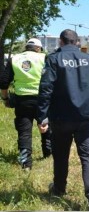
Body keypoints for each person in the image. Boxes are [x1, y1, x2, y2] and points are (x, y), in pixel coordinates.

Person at [36, 29, 89, 211]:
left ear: (61, 42)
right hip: (86, 117)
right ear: (77, 42)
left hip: (61, 118)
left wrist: (42, 117)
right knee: (87, 156)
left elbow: (45, 89)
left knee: (61, 155)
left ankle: (59, 189)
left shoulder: (54, 59)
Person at [0, 38, 52, 170]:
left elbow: (4, 82)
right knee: (45, 125)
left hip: (22, 100)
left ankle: (25, 163)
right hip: (42, 99)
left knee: (24, 132)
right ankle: (48, 154)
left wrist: (5, 99)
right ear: (39, 48)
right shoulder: (44, 58)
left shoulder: (15, 59)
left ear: (26, 47)